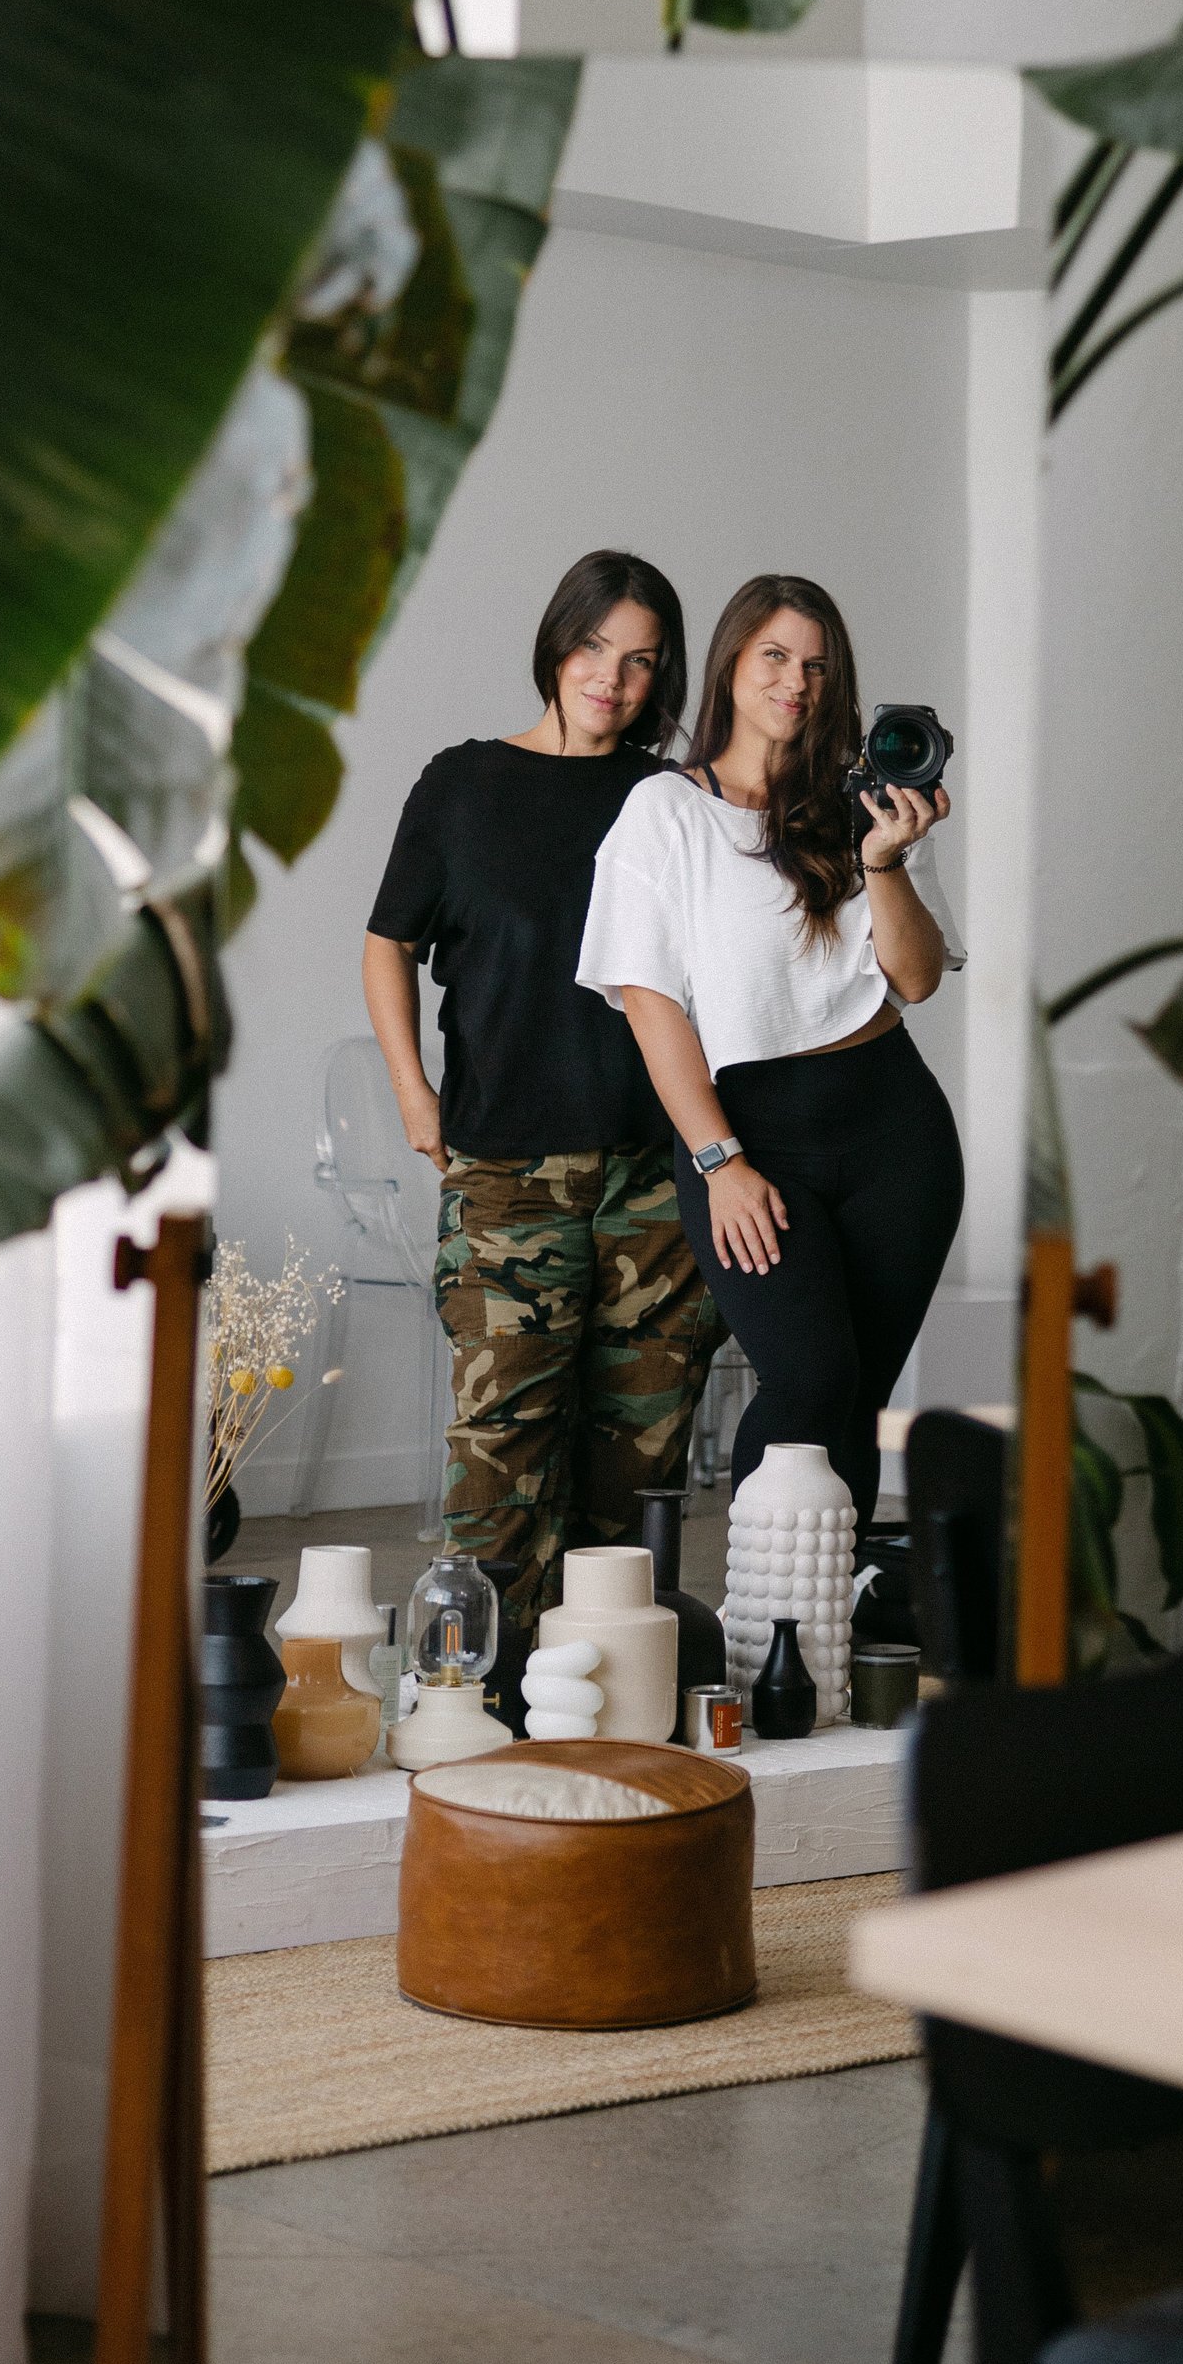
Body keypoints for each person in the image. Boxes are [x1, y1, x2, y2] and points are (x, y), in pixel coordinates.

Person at [363, 553, 721, 1625]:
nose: (611, 679)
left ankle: (604, 1707)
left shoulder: (675, 801)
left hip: (655, 1181)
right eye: (593, 648)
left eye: (641, 662)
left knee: (636, 1480)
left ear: (664, 680)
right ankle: (473, 1708)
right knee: (499, 1473)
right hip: (504, 1169)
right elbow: (387, 944)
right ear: (556, 645)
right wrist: (413, 1098)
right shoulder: (462, 784)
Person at [577, 574, 963, 1533]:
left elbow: (915, 979)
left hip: (893, 1124)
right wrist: (720, 1162)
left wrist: (884, 864)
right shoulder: (663, 813)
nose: (798, 684)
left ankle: (823, 1648)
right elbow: (651, 1007)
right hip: (753, 1134)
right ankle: (764, 1627)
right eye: (776, 658)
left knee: (855, 1404)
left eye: (819, 668)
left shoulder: (867, 805)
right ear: (732, 665)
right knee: (810, 1387)